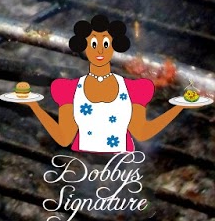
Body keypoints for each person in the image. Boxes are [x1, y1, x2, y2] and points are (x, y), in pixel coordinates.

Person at [26, 13, 185, 152]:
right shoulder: (68, 89)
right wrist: (35, 107)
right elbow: (64, 138)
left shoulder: (134, 89)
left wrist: (179, 107)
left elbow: (142, 132)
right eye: (94, 44)